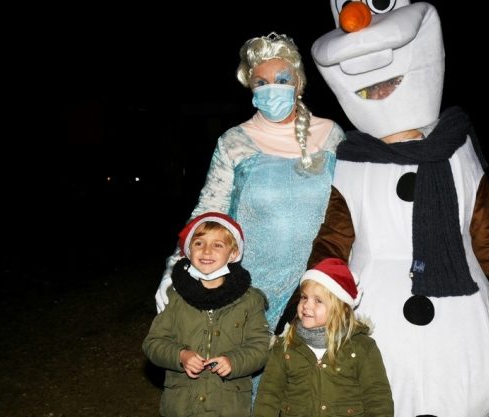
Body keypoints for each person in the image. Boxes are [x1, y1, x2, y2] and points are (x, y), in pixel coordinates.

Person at [285, 0, 489, 417]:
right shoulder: (353, 162)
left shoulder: (457, 150)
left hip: (460, 322)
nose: (379, 92)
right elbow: (335, 239)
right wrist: (315, 294)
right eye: (369, 89)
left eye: (387, 85)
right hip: (374, 319)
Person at [154, 32, 346, 339]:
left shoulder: (332, 136)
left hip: (317, 292)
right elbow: (208, 211)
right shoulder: (234, 142)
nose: (273, 89)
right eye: (262, 82)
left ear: (298, 83)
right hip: (250, 295)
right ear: (251, 88)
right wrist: (175, 267)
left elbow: (349, 211)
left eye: (282, 80)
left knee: (311, 384)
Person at [143, 212, 270, 417]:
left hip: (229, 406)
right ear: (188, 251)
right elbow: (153, 343)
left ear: (233, 254)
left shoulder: (250, 300)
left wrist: (235, 361)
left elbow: (261, 346)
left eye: (218, 245)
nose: (207, 251)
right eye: (199, 243)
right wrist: (180, 355)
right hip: (182, 406)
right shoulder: (175, 297)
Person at [253, 258, 393, 417]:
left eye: (318, 300)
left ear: (340, 309)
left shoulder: (362, 347)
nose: (306, 305)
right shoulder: (285, 346)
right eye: (304, 297)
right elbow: (268, 397)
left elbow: (378, 399)